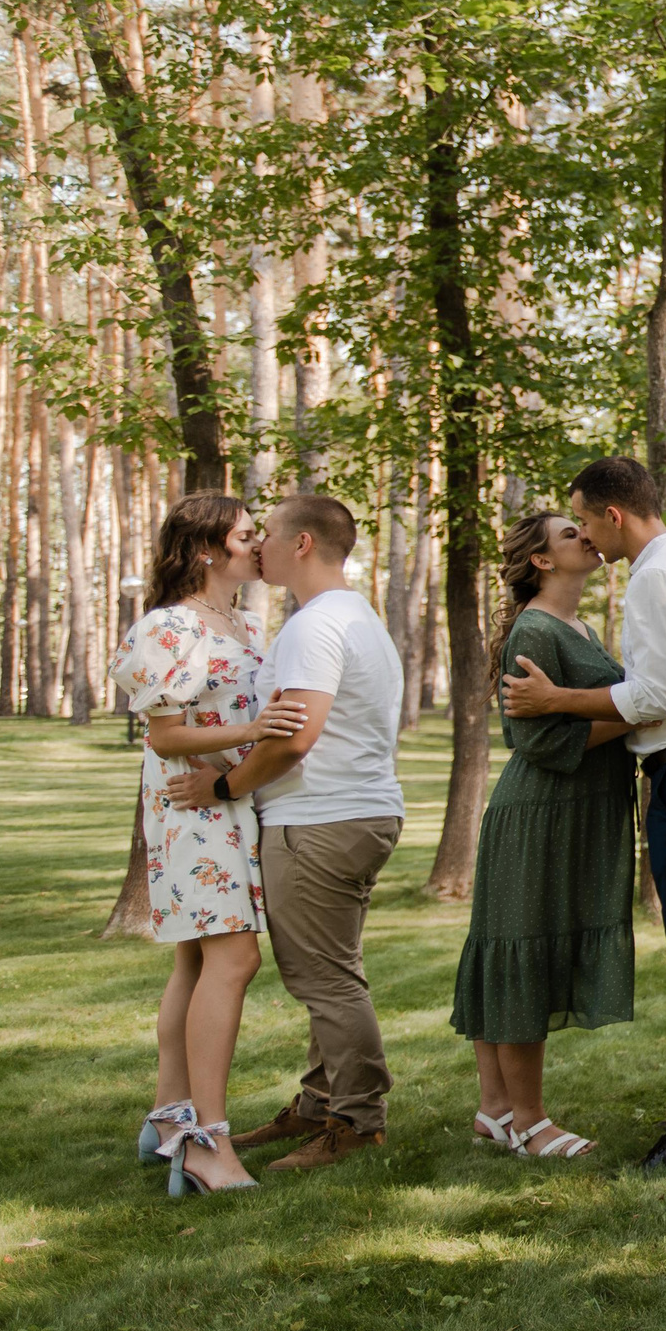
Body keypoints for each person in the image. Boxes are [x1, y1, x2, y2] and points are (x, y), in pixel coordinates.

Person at [502, 456, 666, 1169]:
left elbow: (650, 698)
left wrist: (555, 700)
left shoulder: (653, 576)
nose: (587, 536)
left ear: (613, 515)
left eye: (585, 520)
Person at [172, 495, 407, 1173]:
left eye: (266, 534)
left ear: (302, 543)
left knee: (324, 979)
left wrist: (221, 786)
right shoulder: (352, 615)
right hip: (349, 812)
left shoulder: (314, 627)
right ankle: (318, 1102)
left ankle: (358, 1121)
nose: (256, 547)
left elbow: (295, 737)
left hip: (321, 818)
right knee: (334, 968)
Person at [110, 494, 309, 1197]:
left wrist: (250, 744)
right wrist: (253, 728)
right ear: (205, 550)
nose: (258, 543)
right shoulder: (169, 627)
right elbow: (163, 736)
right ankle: (208, 1143)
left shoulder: (248, 622)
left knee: (196, 960)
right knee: (234, 955)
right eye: (245, 534)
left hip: (230, 797)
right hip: (191, 805)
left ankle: (169, 1120)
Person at [451, 510, 637, 1159]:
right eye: (568, 532)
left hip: (573, 808)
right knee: (518, 947)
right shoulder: (534, 627)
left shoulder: (578, 625)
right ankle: (529, 1121)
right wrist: (641, 708)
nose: (586, 535)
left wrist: (630, 707)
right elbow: (535, 736)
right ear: (541, 560)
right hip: (538, 810)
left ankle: (495, 1109)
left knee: (515, 941)